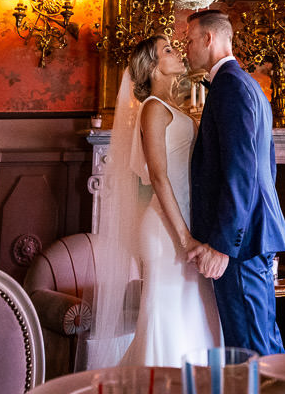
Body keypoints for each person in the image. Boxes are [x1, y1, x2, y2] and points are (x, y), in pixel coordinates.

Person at [88, 35, 221, 368]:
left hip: (184, 222)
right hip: (166, 231)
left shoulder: (175, 107)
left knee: (193, 316)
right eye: (167, 50)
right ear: (151, 66)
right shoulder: (152, 109)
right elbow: (159, 177)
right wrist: (185, 237)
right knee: (166, 318)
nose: (177, 53)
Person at [183, 9, 285, 355]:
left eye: (188, 40)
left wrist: (223, 245)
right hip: (251, 236)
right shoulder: (249, 86)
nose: (185, 48)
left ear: (208, 39)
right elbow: (267, 167)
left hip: (240, 247)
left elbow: (241, 172)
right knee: (261, 340)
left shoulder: (230, 86)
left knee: (251, 350)